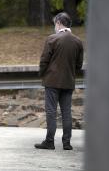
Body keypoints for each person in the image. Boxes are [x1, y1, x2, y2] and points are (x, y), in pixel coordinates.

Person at [34, 12, 84, 150]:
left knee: (51, 111)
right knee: (66, 112)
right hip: (68, 82)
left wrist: (42, 74)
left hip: (52, 81)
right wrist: (70, 74)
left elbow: (44, 60)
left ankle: (50, 141)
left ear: (58, 23)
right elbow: (79, 65)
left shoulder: (52, 39)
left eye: (54, 24)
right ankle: (66, 143)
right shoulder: (78, 41)